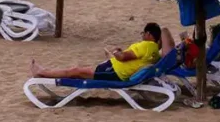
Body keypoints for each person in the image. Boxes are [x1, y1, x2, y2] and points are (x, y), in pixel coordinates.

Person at [30, 23, 166, 81]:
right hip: (117, 71)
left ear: (148, 34)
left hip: (115, 72)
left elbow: (123, 57)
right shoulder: (155, 52)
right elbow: (137, 61)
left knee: (76, 71)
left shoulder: (144, 45)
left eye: (143, 33)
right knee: (80, 71)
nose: (142, 35)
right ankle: (45, 72)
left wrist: (116, 51)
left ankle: (42, 72)